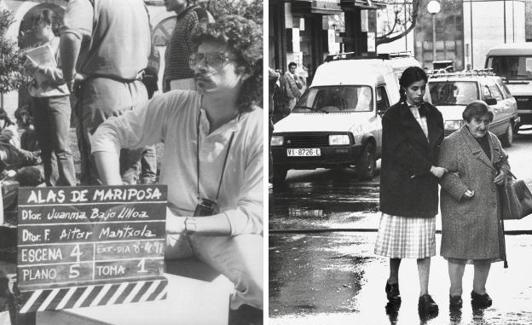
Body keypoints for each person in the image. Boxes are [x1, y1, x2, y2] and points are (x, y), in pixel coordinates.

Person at [91, 16, 263, 323]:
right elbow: (108, 133)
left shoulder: (258, 127)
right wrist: (115, 190)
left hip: (223, 234)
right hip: (168, 224)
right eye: (198, 57)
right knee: (85, 258)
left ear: (247, 68)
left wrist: (186, 226)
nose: (200, 67)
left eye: (216, 59)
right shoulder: (174, 104)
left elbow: (251, 216)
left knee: (262, 288)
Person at [374, 66, 445, 318]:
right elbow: (398, 150)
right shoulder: (392, 116)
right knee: (398, 242)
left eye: (422, 88)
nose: (419, 93)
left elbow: (440, 146)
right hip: (400, 187)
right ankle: (393, 280)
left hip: (425, 188)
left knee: (424, 244)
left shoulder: (434, 114)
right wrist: (428, 168)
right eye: (414, 88)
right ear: (404, 89)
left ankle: (424, 295)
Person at [60, 0, 152, 185]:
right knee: (128, 175)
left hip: (103, 91)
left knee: (99, 177)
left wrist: (68, 76)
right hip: (138, 91)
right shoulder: (138, 4)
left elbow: (71, 36)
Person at [438, 100, 510, 311]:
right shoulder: (452, 142)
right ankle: (455, 294)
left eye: (486, 121)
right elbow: (443, 173)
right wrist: (460, 190)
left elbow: (503, 161)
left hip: (487, 205)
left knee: (485, 252)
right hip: (460, 207)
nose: (482, 126)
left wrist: (503, 172)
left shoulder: (494, 139)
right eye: (477, 121)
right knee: (457, 252)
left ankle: (479, 292)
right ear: (467, 121)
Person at [24, 9, 76, 186]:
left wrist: (38, 68)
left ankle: (70, 190)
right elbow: (36, 78)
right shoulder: (36, 49)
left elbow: (64, 75)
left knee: (62, 148)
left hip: (58, 100)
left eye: (36, 25)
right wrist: (31, 78)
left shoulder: (62, 44)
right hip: (39, 100)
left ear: (48, 25)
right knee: (46, 149)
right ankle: (51, 190)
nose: (33, 29)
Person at [163, 0, 214, 92]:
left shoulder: (197, 15)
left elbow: (206, 57)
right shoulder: (183, 18)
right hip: (180, 89)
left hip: (189, 88)